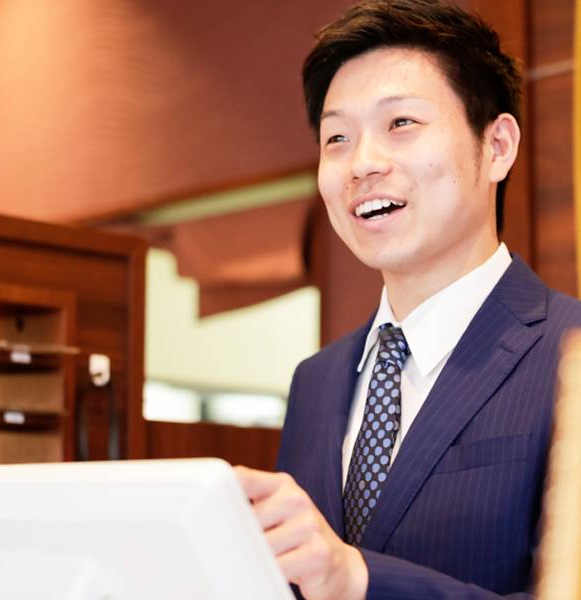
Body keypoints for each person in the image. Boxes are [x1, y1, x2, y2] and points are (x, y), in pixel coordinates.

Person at [235, 1, 581, 598]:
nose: (362, 164)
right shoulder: (315, 381)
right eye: (337, 137)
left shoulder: (569, 352)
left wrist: (357, 578)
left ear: (497, 146)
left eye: (401, 123)